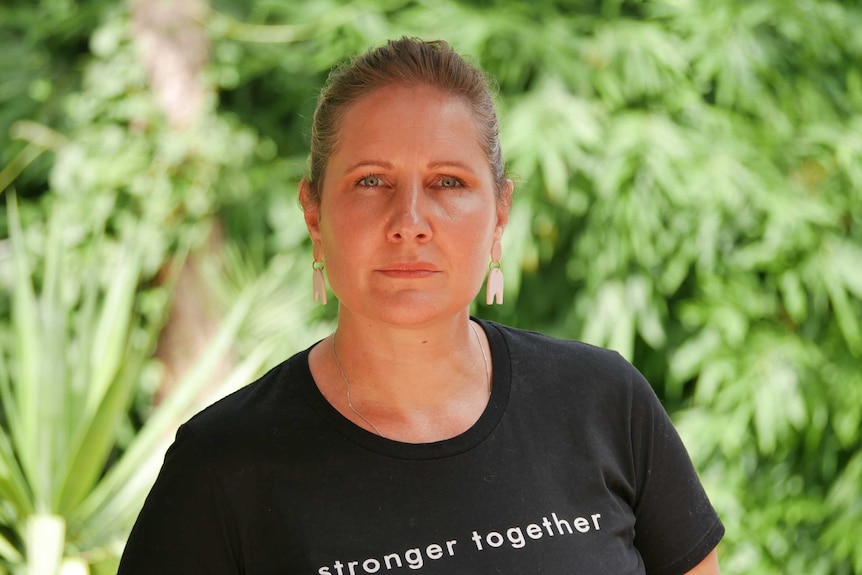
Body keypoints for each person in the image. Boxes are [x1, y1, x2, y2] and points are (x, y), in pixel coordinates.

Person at [117, 37, 724, 574]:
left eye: (448, 182)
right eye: (372, 181)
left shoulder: (603, 402)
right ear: (314, 216)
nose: (409, 223)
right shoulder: (222, 469)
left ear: (500, 216)